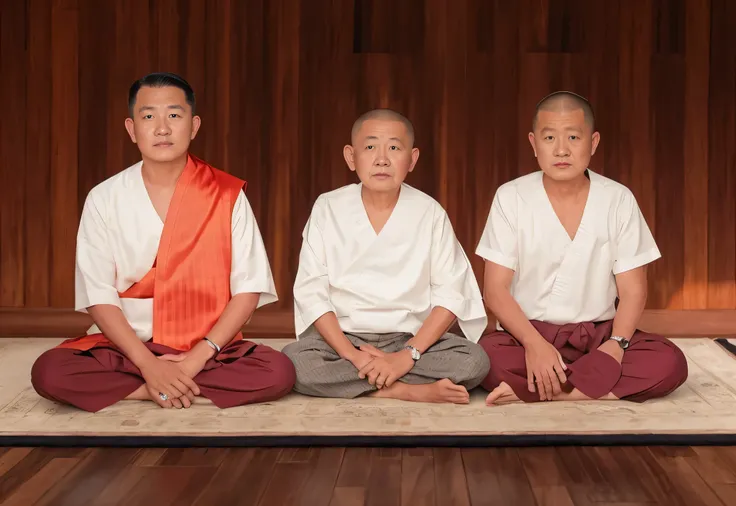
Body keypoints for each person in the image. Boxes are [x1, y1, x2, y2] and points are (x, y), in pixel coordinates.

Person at [30, 72, 295, 412]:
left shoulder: (225, 195)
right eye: (148, 116)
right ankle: (158, 387)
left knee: (278, 372)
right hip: (126, 348)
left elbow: (248, 289)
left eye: (174, 115)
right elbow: (98, 294)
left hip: (205, 348)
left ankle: (166, 384)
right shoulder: (104, 198)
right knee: (50, 372)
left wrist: (194, 359)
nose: (162, 128)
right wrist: (148, 365)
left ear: (194, 125)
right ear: (132, 129)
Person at [476, 91, 688, 406]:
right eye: (550, 138)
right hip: (525, 334)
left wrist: (616, 345)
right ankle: (589, 384)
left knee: (669, 362)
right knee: (485, 360)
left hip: (598, 336)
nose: (562, 149)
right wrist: (534, 345)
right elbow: (494, 291)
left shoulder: (618, 199)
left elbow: (633, 291)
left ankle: (555, 391)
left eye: (574, 137)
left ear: (593, 142)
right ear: (534, 144)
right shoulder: (511, 197)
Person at [282, 109, 490, 404]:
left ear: (413, 159)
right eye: (370, 147)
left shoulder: (429, 212)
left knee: (474, 361)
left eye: (394, 147)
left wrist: (406, 356)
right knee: (294, 362)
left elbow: (452, 293)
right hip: (344, 339)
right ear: (351, 157)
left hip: (409, 340)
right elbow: (311, 291)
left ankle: (372, 382)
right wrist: (351, 355)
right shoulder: (328, 207)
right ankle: (402, 390)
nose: (382, 159)